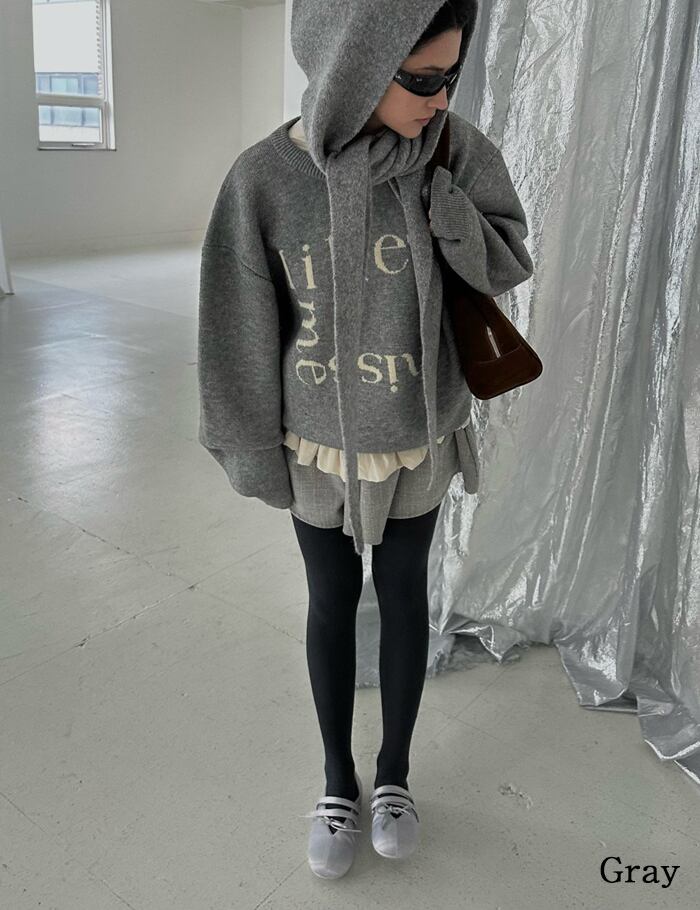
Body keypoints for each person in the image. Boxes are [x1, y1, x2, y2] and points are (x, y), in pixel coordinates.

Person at [197, 0, 534, 880]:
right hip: (318, 445)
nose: (441, 98)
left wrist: (444, 204)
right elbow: (237, 325)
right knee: (330, 602)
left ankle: (394, 777)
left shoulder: (455, 151)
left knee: (406, 598)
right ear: (353, 65)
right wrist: (250, 447)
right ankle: (336, 783)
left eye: (451, 76)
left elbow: (508, 260)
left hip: (419, 434)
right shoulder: (265, 179)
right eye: (421, 79)